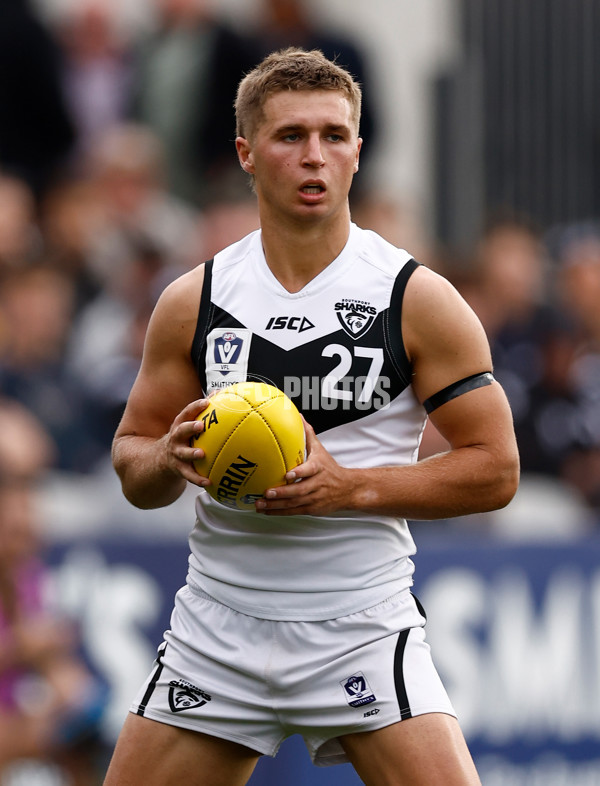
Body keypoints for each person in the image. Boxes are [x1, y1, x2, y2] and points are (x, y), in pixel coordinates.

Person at [104, 48, 519, 786]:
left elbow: (496, 470)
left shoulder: (414, 298)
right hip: (219, 626)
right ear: (247, 154)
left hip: (359, 624)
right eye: (290, 136)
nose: (314, 156)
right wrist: (167, 457)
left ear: (358, 151)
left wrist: (348, 488)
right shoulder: (193, 302)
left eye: (334, 135)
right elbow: (133, 462)